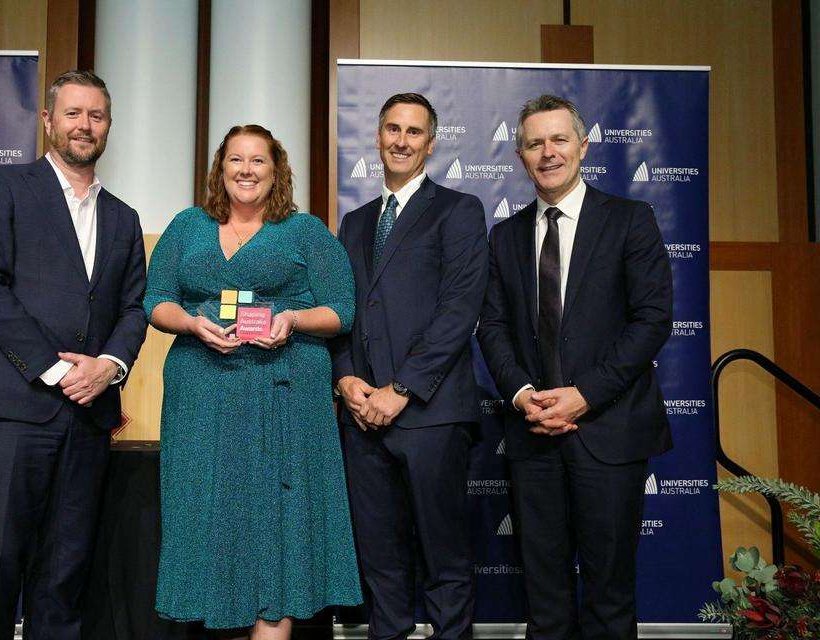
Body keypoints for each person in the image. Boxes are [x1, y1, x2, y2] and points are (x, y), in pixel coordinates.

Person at [144, 124, 361, 636]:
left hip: (281, 395)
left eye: (258, 161)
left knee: (275, 524)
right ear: (220, 168)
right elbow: (156, 301)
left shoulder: (304, 231)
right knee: (212, 519)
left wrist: (293, 321)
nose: (246, 170)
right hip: (202, 395)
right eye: (236, 160)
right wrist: (192, 323)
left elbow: (342, 311)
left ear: (276, 170)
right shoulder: (187, 225)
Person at [0, 70, 147, 640]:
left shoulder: (123, 217)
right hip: (14, 411)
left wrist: (108, 367)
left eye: (96, 115)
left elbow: (134, 309)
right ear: (47, 121)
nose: (84, 125)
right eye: (72, 113)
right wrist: (60, 368)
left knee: (64, 577)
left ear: (108, 125)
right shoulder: (5, 186)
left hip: (88, 418)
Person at [477, 94, 673, 640]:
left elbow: (652, 319)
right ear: (520, 156)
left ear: (583, 147)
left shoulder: (631, 220)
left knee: (610, 597)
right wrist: (521, 395)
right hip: (533, 434)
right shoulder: (505, 236)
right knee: (545, 599)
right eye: (535, 143)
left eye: (559, 139)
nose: (548, 152)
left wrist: (583, 394)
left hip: (609, 432)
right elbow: (491, 328)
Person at [331, 93, 488, 640]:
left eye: (413, 132)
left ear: (430, 142)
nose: (401, 140)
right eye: (392, 129)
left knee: (444, 560)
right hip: (361, 420)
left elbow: (459, 311)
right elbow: (342, 312)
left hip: (431, 414)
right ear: (377, 136)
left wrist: (400, 390)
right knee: (380, 561)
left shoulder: (458, 210)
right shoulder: (353, 223)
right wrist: (348, 379)